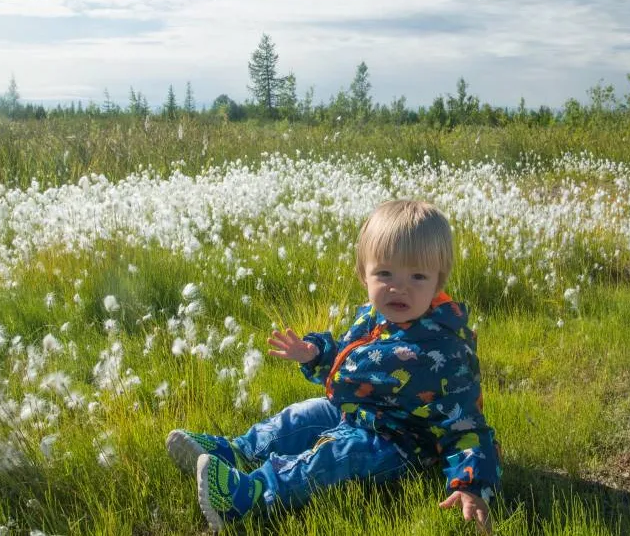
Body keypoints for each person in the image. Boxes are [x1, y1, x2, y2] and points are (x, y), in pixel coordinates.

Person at [166, 199, 502, 533]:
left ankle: (249, 497)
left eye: (417, 276)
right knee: (300, 416)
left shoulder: (444, 349)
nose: (399, 287)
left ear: (437, 283)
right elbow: (347, 359)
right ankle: (237, 451)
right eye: (385, 273)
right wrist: (315, 353)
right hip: (353, 410)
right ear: (364, 274)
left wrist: (470, 484)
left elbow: (467, 427)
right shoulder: (374, 318)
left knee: (335, 455)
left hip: (397, 443)